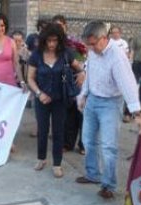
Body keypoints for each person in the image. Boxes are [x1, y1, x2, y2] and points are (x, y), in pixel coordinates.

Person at [76, 21, 141, 199]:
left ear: (104, 38)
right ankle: (92, 174)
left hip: (111, 103)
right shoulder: (93, 52)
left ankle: (108, 185)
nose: (90, 48)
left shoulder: (117, 56)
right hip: (92, 99)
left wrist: (137, 113)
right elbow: (89, 73)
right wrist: (83, 95)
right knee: (88, 140)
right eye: (88, 44)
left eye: (93, 44)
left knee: (109, 147)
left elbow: (128, 84)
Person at [27, 23, 85, 178]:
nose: (52, 44)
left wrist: (81, 73)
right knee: (43, 130)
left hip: (60, 99)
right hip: (42, 100)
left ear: (60, 40)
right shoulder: (36, 55)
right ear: (44, 39)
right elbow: (30, 78)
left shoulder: (66, 53)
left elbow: (79, 68)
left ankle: (57, 164)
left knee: (59, 131)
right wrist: (39, 93)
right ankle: (41, 159)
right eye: (49, 41)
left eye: (55, 41)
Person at [53, 14, 86, 155]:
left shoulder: (74, 43)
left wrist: (83, 72)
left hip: (77, 80)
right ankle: (68, 143)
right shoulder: (51, 42)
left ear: (65, 26)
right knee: (67, 116)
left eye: (61, 25)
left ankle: (83, 144)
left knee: (81, 114)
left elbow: (84, 60)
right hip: (62, 83)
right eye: (56, 26)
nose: (58, 28)